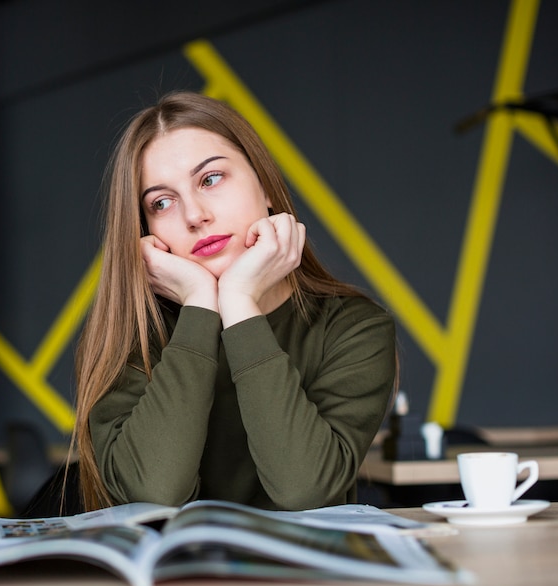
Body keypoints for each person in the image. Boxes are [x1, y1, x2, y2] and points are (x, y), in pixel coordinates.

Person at [71, 90, 397, 513]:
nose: (194, 215)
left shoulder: (354, 328)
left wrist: (240, 302)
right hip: (159, 578)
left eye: (210, 179)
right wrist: (200, 307)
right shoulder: (130, 337)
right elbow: (153, 494)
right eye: (162, 202)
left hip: (307, 578)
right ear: (145, 228)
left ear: (266, 187)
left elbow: (304, 491)